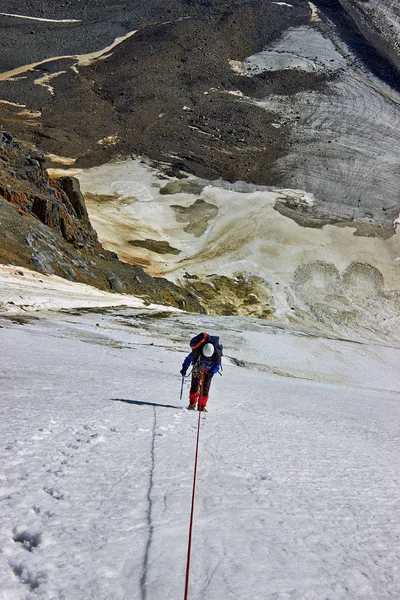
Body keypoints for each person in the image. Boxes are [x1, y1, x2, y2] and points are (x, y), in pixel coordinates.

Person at [180, 333, 222, 412]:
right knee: (194, 386)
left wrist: (212, 372)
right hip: (197, 368)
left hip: (209, 371)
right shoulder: (197, 351)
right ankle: (192, 403)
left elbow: (217, 364)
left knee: (205, 389)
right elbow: (189, 359)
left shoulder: (217, 354)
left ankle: (201, 406)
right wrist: (184, 368)